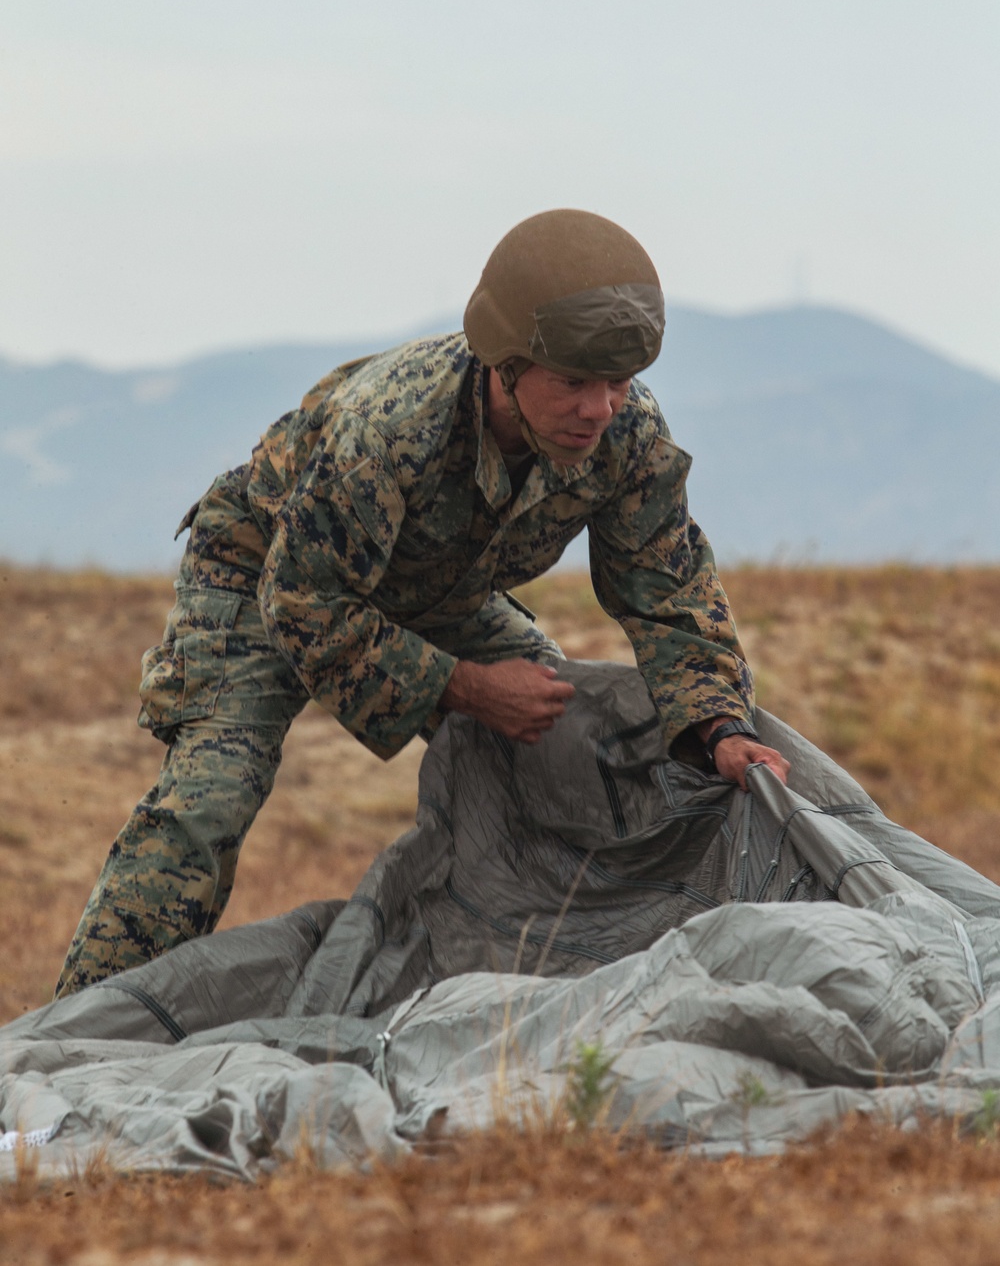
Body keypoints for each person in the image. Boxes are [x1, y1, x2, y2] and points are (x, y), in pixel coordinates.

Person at [55, 208, 789, 997]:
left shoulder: (625, 435)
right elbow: (303, 601)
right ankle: (67, 1048)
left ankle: (528, 984)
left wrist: (718, 725)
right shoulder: (393, 427)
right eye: (574, 382)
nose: (598, 410)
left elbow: (669, 585)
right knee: (208, 803)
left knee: (568, 744)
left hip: (432, 592)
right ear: (506, 366)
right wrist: (465, 688)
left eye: (616, 384)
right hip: (266, 575)